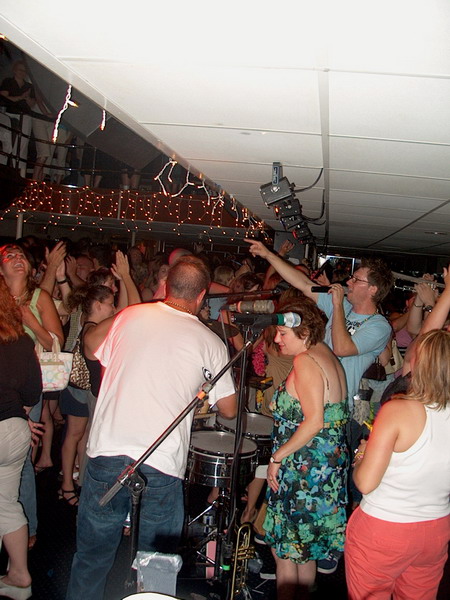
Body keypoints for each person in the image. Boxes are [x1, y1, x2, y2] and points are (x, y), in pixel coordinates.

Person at [66, 256, 236, 600]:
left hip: (107, 452)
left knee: (91, 558)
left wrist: (133, 311)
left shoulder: (129, 316)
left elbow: (91, 346)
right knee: (156, 566)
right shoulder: (212, 343)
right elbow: (230, 411)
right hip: (161, 463)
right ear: (202, 295)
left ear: (166, 286)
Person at [245, 240, 392, 518]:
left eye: (357, 279)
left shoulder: (379, 326)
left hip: (338, 414)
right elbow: (302, 283)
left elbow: (342, 347)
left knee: (327, 484)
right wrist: (269, 255)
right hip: (309, 402)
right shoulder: (343, 307)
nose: (349, 282)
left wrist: (337, 306)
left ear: (373, 289)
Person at [345, 329, 450, 599]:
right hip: (436, 529)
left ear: (418, 364)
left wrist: (362, 454)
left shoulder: (398, 410)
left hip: (385, 527)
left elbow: (365, 482)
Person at [263, 297, 348, 599]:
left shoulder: (305, 361)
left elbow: (314, 422)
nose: (277, 339)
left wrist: (276, 458)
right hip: (322, 473)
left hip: (302, 472)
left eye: (283, 333)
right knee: (305, 552)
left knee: (285, 553)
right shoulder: (326, 354)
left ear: (304, 332)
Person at [0, 276, 43, 600]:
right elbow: (32, 391)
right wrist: (20, 414)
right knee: (5, 503)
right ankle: (19, 576)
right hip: (14, 429)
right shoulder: (21, 340)